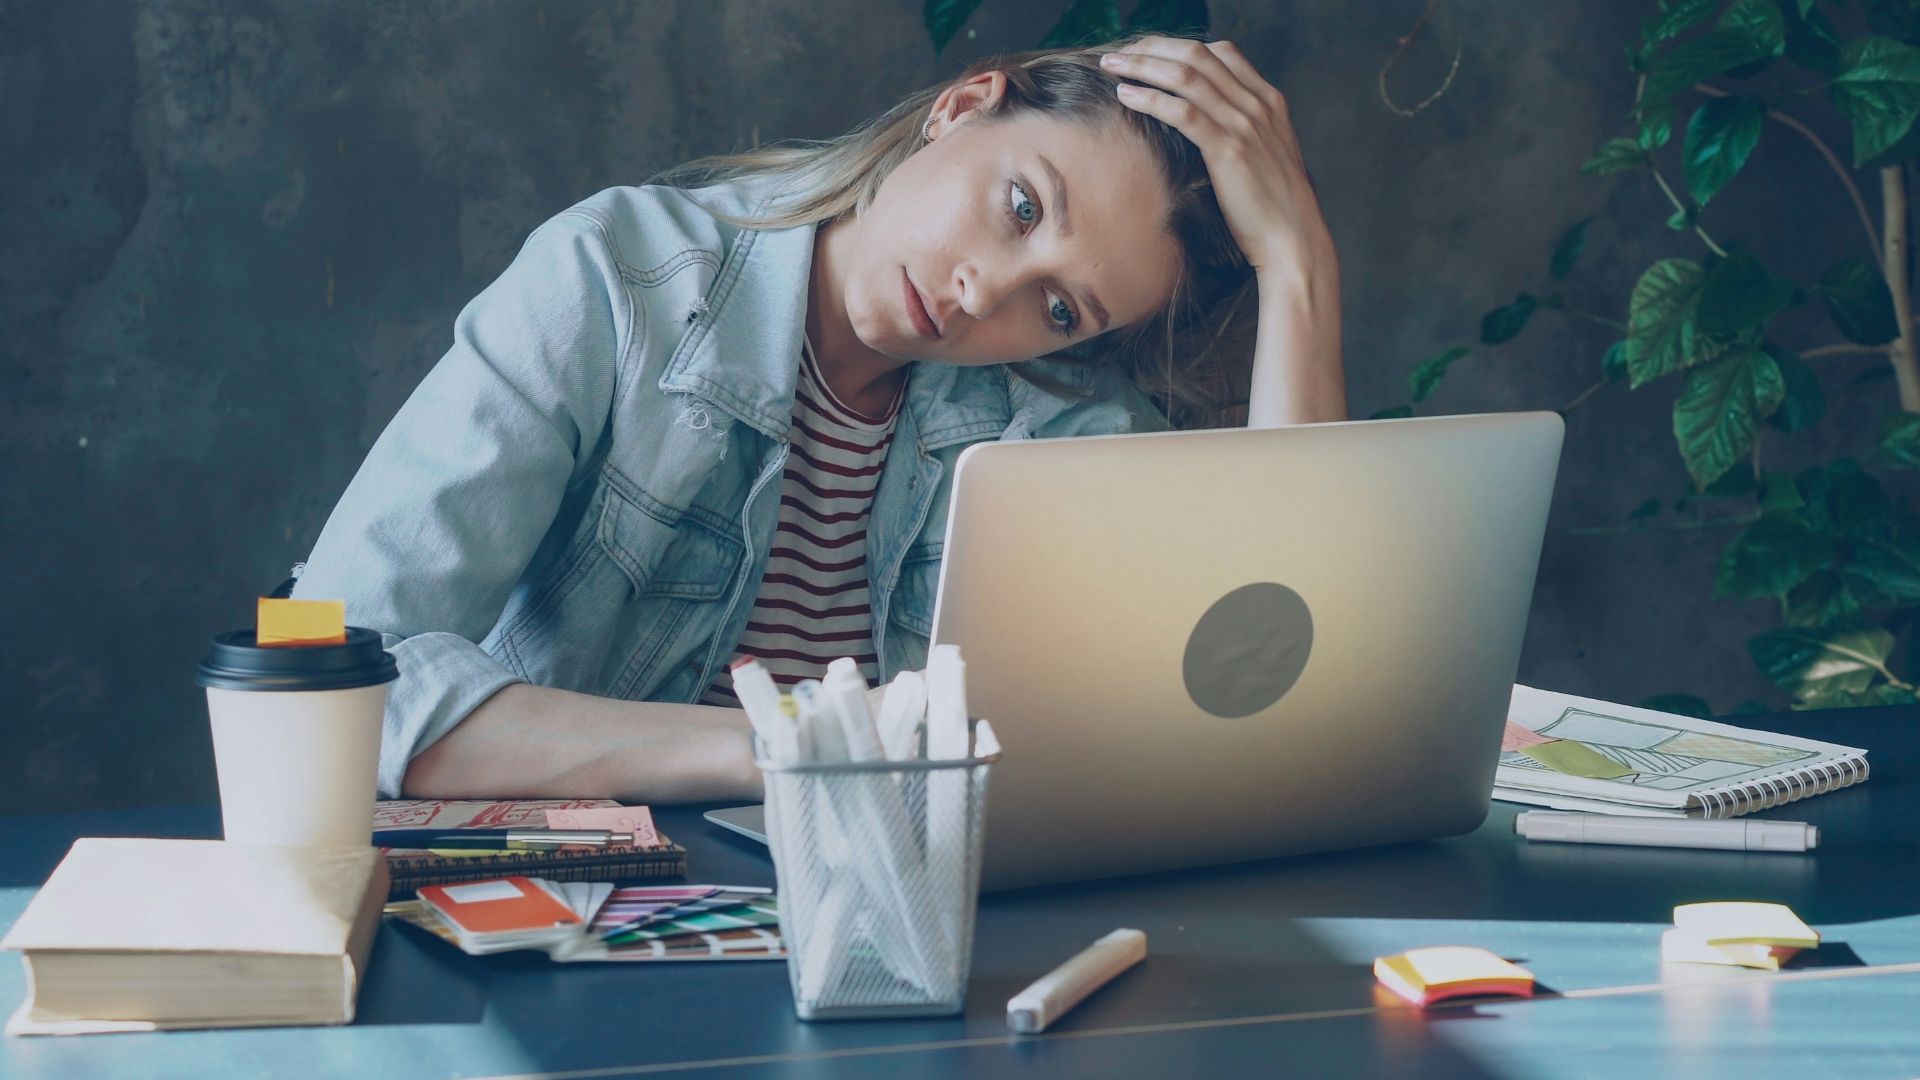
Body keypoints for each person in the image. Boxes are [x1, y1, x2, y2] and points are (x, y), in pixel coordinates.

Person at [292, 33, 1346, 803]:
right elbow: (319, 670)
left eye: (1060, 307)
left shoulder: (1061, 430)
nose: (989, 292)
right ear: (963, 106)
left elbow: (1273, 716)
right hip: (568, 928)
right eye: (1023, 207)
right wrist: (782, 747)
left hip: (894, 945)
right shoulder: (614, 277)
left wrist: (1297, 268)